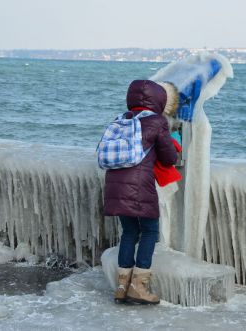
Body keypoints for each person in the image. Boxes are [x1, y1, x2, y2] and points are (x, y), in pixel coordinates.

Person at [104, 79, 178, 305]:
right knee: (149, 232)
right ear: (158, 99)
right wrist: (175, 140)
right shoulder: (156, 121)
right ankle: (139, 287)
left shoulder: (121, 119)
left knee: (128, 232)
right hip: (140, 186)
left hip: (115, 184)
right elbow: (169, 157)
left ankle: (121, 286)